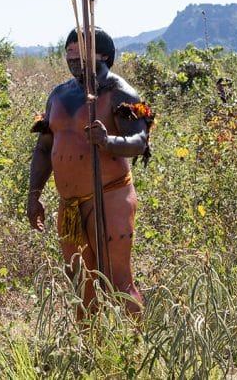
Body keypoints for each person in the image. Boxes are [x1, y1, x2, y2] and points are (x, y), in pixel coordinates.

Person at [26, 27, 154, 318]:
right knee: (81, 282)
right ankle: (90, 349)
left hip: (109, 196)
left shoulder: (119, 92)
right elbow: (44, 149)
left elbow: (140, 142)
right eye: (69, 51)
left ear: (104, 54)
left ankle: (135, 346)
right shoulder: (58, 95)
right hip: (69, 204)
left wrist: (108, 141)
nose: (73, 56)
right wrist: (34, 195)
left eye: (81, 50)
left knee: (117, 280)